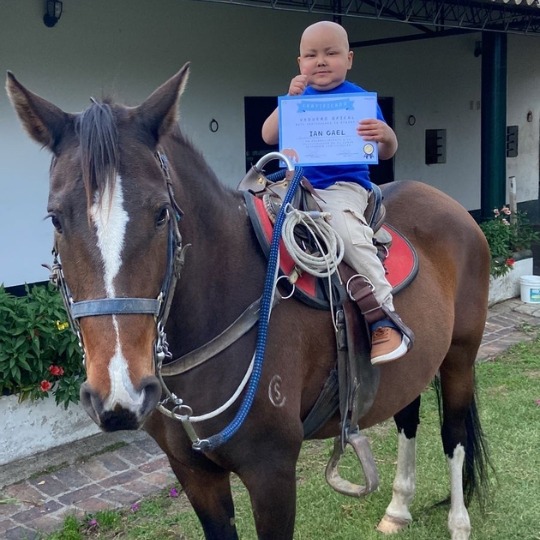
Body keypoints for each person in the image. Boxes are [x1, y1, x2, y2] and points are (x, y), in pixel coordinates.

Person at [261, 20, 413, 365]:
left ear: (349, 58)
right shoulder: (297, 100)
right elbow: (269, 136)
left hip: (342, 186)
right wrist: (288, 98)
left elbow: (387, 150)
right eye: (311, 55)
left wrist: (385, 133)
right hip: (294, 183)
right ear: (300, 63)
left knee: (345, 229)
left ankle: (384, 318)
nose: (321, 61)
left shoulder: (359, 100)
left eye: (331, 53)